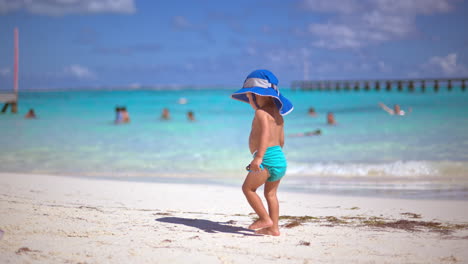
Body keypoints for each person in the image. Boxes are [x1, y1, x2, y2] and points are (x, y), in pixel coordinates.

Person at [231, 69, 294, 236]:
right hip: (279, 158)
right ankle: (274, 228)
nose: (251, 98)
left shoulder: (260, 113)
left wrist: (259, 158)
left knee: (248, 189)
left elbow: (265, 133)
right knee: (271, 194)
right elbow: (281, 140)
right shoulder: (278, 115)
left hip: (265, 159)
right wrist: (254, 101)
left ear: (260, 94)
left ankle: (264, 219)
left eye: (253, 94)